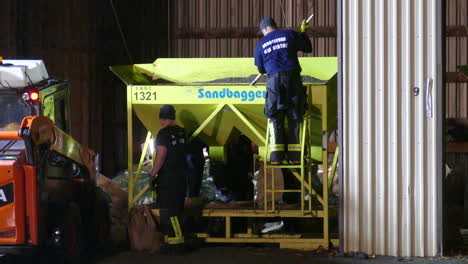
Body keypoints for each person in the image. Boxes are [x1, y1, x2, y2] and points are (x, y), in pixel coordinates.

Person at [254, 17, 312, 164]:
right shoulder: (289, 34)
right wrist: (303, 32)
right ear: (275, 25)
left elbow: (261, 69)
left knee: (274, 116)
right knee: (294, 115)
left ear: (265, 29)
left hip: (273, 80)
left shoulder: (261, 44)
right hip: (293, 78)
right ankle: (295, 157)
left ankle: (276, 157)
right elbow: (307, 48)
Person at [150, 104, 188, 254]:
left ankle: (176, 243)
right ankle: (175, 241)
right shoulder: (182, 132)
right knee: (178, 210)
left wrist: (153, 174)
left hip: (168, 178)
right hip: (182, 177)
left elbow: (161, 155)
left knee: (169, 212)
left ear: (162, 119)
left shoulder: (163, 134)